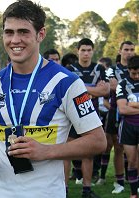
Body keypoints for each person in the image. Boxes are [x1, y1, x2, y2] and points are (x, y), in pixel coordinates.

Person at [0, 1, 107, 198]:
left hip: (45, 192)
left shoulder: (66, 82)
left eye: (23, 32)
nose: (15, 40)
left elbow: (97, 141)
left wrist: (46, 151)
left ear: (41, 34)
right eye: (9, 32)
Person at [65, 38, 110, 197]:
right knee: (66, 153)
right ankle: (64, 189)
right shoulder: (70, 69)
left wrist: (81, 89)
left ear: (93, 51)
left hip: (91, 115)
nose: (86, 53)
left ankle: (87, 189)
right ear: (78, 51)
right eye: (83, 50)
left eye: (89, 50)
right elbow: (67, 92)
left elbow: (105, 91)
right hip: (71, 116)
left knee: (88, 153)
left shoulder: (99, 68)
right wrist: (92, 90)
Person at [97, 41, 136, 193]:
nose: (129, 52)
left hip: (132, 111)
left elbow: (117, 86)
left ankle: (130, 178)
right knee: (115, 146)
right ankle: (118, 181)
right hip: (115, 110)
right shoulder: (112, 69)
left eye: (132, 49)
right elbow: (109, 87)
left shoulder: (135, 67)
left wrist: (119, 85)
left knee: (132, 149)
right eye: (126, 49)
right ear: (120, 51)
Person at [116, 55, 139, 198]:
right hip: (128, 126)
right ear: (128, 70)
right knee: (131, 161)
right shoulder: (123, 84)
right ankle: (132, 193)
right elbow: (122, 109)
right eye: (133, 73)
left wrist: (133, 104)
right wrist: (128, 106)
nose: (136, 76)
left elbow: (127, 106)